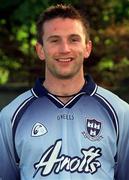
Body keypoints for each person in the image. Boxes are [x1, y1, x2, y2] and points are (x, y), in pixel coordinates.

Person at [0, 4, 129, 180]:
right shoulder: (11, 116)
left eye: (74, 39)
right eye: (54, 40)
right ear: (40, 50)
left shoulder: (120, 113)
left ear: (87, 48)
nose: (65, 49)